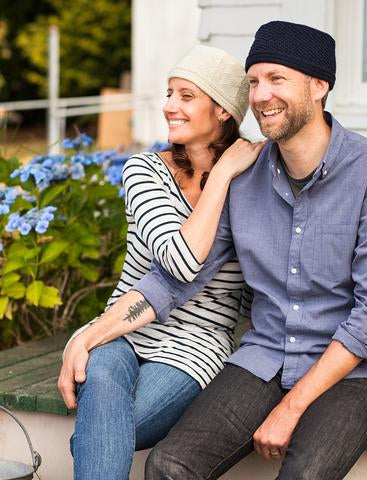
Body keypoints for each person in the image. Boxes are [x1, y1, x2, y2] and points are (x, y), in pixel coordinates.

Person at [129, 21, 367, 479]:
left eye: (277, 79)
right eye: (253, 81)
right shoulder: (245, 175)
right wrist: (91, 337)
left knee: (304, 474)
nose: (260, 96)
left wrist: (291, 407)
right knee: (169, 465)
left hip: (360, 370)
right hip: (267, 355)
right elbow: (178, 277)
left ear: (319, 86)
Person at [58, 45, 264, 480]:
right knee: (105, 387)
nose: (170, 106)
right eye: (169, 93)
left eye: (186, 96)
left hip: (196, 346)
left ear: (223, 110)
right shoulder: (144, 171)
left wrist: (225, 174)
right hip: (119, 327)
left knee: (103, 432)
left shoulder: (253, 184)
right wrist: (222, 175)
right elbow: (178, 259)